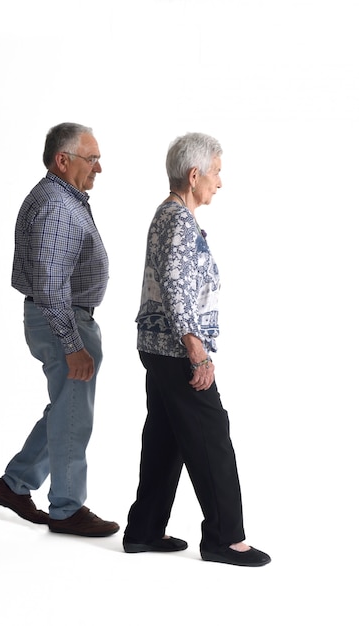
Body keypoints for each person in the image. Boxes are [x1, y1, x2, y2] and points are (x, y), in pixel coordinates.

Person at [123, 132, 271, 566]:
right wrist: (197, 351)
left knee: (166, 438)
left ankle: (144, 530)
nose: (219, 182)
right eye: (217, 172)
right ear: (194, 174)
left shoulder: (170, 216)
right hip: (176, 350)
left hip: (157, 346)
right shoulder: (178, 221)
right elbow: (175, 287)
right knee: (211, 436)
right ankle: (225, 539)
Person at [0, 122, 119, 538]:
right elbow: (48, 283)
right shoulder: (58, 207)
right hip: (64, 320)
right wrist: (72, 343)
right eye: (91, 158)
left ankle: (14, 484)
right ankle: (66, 509)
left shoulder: (61, 198)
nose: (99, 167)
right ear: (63, 160)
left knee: (66, 409)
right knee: (73, 417)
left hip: (64, 317)